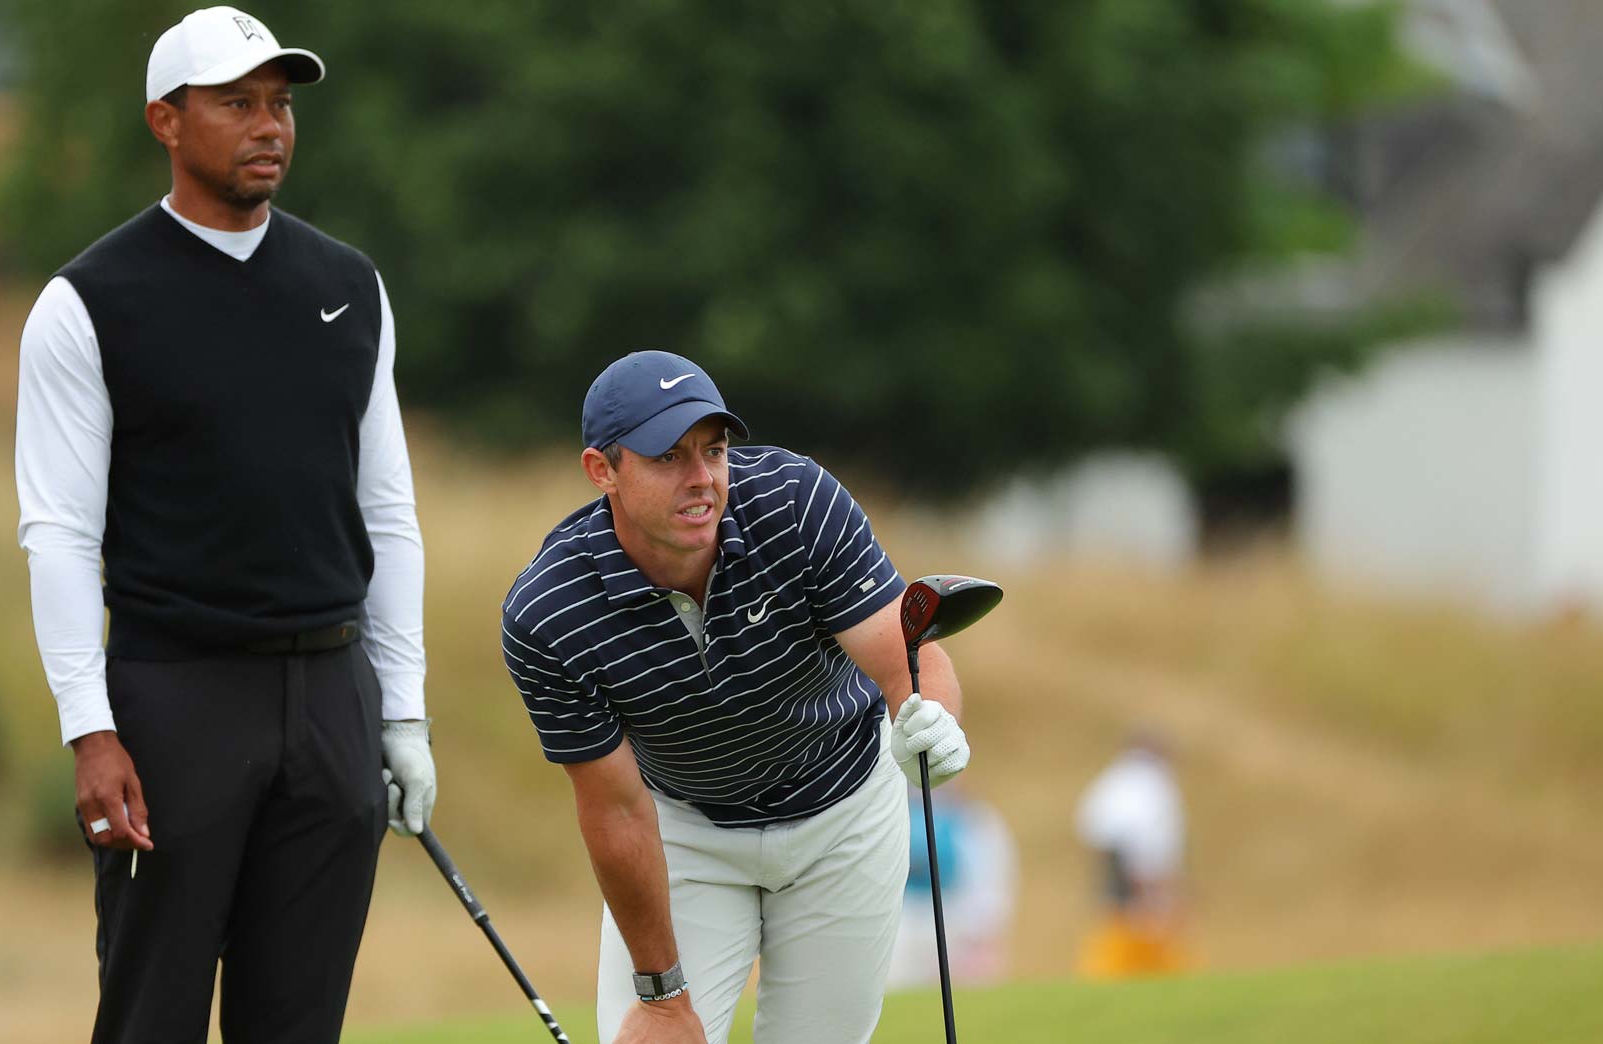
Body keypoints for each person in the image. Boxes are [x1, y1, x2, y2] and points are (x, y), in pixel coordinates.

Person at [13, 8, 433, 1043]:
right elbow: (58, 531)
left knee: (297, 1023)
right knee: (151, 1015)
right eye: (237, 104)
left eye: (280, 105)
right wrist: (88, 726)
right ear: (165, 120)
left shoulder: (349, 286)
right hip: (173, 701)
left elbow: (385, 510)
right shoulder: (89, 301)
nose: (269, 127)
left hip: (332, 695)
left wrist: (404, 713)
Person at [500, 350, 975, 1044]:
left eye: (714, 451)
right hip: (686, 830)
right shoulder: (552, 610)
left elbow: (909, 659)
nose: (701, 480)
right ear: (602, 470)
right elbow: (616, 809)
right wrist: (663, 997)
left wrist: (931, 721)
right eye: (668, 458)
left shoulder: (793, 503)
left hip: (843, 810)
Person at [1073, 731, 1191, 979]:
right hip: (1137, 876)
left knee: (1119, 938)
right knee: (1145, 938)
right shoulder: (1149, 782)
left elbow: (1090, 825)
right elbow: (1146, 841)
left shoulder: (1114, 779)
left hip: (1117, 872)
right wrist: (1150, 887)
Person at [887, 782, 1017, 989]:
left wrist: (984, 926)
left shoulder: (974, 818)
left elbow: (989, 874)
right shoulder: (893, 811)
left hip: (951, 914)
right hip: (902, 916)